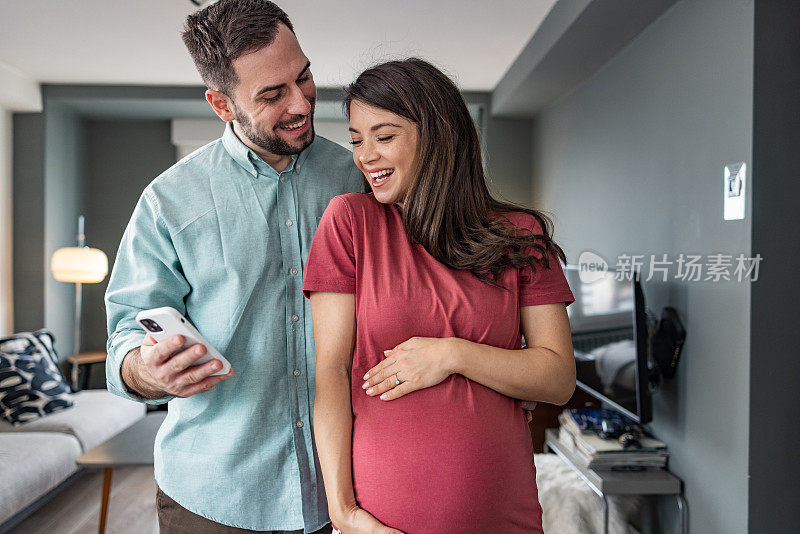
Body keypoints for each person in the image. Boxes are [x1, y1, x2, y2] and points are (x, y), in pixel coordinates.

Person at [105, 1, 362, 532]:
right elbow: (126, 334)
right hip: (213, 496)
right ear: (221, 104)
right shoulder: (168, 201)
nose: (301, 103)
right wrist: (148, 370)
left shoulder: (358, 175)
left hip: (346, 487)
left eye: (305, 76)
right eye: (272, 95)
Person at [303, 58, 576, 534]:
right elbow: (330, 371)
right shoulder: (350, 222)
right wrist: (342, 511)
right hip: (383, 523)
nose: (365, 156)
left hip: (502, 516)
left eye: (383, 137)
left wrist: (453, 355)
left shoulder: (520, 234)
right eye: (356, 139)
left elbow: (557, 379)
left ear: (438, 135)